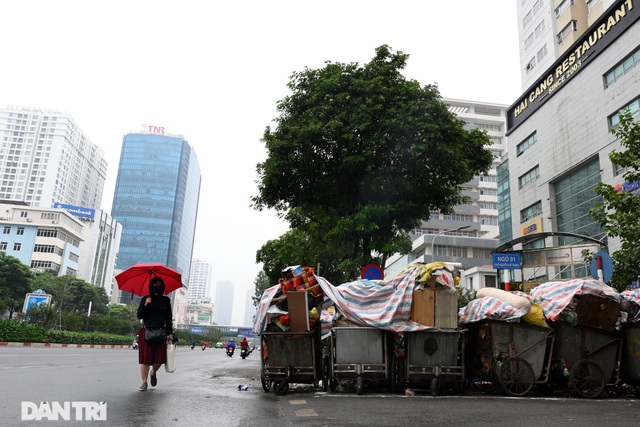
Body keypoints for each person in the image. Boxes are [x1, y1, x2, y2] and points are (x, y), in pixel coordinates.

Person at [136, 277, 173, 391]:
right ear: (151, 286)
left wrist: (170, 333)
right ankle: (144, 382)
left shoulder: (166, 300)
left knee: (160, 359)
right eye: (155, 283)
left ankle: (153, 372)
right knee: (145, 359)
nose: (158, 285)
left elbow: (168, 318)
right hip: (146, 331)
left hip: (161, 332)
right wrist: (146, 304)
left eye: (160, 284)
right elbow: (140, 315)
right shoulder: (145, 299)